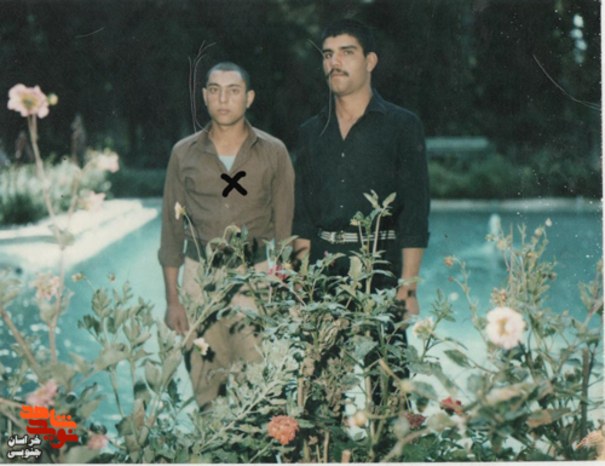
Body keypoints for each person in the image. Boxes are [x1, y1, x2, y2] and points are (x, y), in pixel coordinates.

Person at [293, 19, 430, 401]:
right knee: (321, 398)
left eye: (346, 53)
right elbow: (302, 216)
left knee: (389, 396)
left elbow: (415, 213)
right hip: (323, 273)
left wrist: (407, 288)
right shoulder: (310, 132)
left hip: (380, 270)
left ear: (370, 61)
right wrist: (303, 284)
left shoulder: (402, 126)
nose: (334, 62)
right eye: (327, 54)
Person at [158, 62, 295, 410]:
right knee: (207, 388)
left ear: (249, 98)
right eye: (215, 90)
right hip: (199, 281)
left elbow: (286, 232)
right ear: (204, 96)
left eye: (233, 91)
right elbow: (171, 234)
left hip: (255, 279)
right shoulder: (184, 153)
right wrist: (173, 301)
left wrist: (283, 293)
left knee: (260, 392)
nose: (223, 99)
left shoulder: (273, 152)